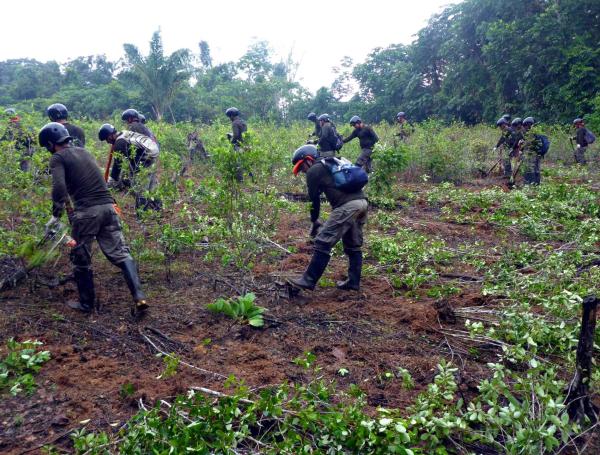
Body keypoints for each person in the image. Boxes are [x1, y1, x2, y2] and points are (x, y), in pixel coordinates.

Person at [38, 122, 147, 314]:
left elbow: (59, 189)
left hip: (87, 213)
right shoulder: (85, 152)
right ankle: (139, 297)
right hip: (109, 209)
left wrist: (56, 215)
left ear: (49, 144)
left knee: (81, 257)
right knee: (121, 253)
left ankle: (87, 304)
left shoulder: (57, 158)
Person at [288, 144, 368, 292]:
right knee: (353, 245)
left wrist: (314, 220)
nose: (303, 171)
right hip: (362, 203)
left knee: (323, 241)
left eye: (302, 167)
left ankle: (308, 280)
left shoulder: (314, 170)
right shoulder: (334, 161)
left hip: (347, 206)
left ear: (308, 160)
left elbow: (314, 200)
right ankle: (353, 282)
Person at [98, 123, 161, 211]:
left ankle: (142, 217)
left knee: (141, 190)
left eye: (106, 139)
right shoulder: (124, 133)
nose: (107, 142)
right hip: (152, 155)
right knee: (152, 188)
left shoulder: (119, 143)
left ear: (110, 136)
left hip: (145, 159)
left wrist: (110, 181)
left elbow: (117, 165)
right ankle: (158, 209)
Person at [225, 107, 248, 182]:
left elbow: (236, 135)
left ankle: (239, 180)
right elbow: (243, 133)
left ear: (232, 115)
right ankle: (249, 178)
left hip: (238, 146)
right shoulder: (242, 122)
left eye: (229, 116)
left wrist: (231, 141)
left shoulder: (234, 123)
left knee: (238, 163)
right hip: (245, 144)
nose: (229, 118)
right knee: (244, 162)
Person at [518, 117, 543, 185]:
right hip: (538, 154)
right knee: (536, 169)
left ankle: (529, 184)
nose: (525, 128)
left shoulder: (532, 133)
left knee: (529, 168)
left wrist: (522, 143)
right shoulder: (537, 132)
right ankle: (536, 184)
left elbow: (529, 144)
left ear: (529, 125)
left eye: (526, 126)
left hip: (531, 154)